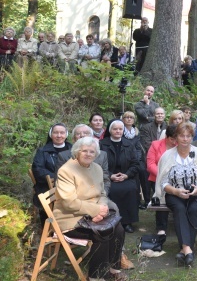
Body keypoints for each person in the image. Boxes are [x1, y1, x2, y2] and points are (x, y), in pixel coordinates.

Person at [54, 137, 127, 281]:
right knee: (103, 232)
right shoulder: (66, 171)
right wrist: (96, 211)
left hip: (93, 214)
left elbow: (102, 193)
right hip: (70, 218)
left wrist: (102, 208)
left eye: (92, 151)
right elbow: (69, 202)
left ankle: (113, 269)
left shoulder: (97, 168)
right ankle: (96, 277)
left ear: (96, 154)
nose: (88, 154)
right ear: (77, 152)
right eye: (84, 151)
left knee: (118, 229)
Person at [154, 123, 197, 266]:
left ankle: (184, 249)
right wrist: (176, 191)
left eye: (188, 136)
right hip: (174, 193)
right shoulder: (168, 156)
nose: (185, 139)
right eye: (181, 136)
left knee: (193, 210)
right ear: (176, 138)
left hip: (196, 193)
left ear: (192, 137)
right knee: (179, 209)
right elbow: (163, 182)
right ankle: (188, 249)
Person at [99, 120, 140, 233]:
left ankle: (127, 222)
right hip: (108, 178)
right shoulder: (102, 144)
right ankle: (112, 221)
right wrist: (110, 176)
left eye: (120, 129)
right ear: (110, 130)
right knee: (112, 190)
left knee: (131, 189)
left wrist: (126, 175)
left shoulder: (129, 144)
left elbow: (135, 164)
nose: (118, 131)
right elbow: (98, 165)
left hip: (126, 176)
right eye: (115, 129)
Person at [32, 123, 73, 224]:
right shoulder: (43, 151)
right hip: (48, 187)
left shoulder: (73, 149)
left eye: (62, 132)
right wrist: (57, 177)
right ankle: (53, 228)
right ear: (51, 134)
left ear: (66, 134)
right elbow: (38, 169)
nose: (59, 135)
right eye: (56, 132)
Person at [57, 124, 111, 193]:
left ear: (92, 137)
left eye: (85, 133)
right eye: (78, 134)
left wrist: (102, 195)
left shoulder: (102, 155)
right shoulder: (63, 156)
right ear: (73, 139)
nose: (82, 135)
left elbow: (105, 180)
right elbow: (60, 183)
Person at [146, 123, 178, 236]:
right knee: (160, 195)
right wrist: (163, 176)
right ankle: (161, 227)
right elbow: (150, 164)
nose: (175, 142)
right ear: (167, 136)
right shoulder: (156, 145)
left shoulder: (181, 146)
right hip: (157, 178)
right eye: (172, 139)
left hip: (176, 178)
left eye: (176, 139)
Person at [121, 111, 149, 209]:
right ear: (123, 119)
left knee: (143, 172)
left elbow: (138, 148)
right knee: (134, 176)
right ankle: (137, 201)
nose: (129, 119)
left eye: (131, 117)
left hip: (137, 159)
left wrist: (137, 159)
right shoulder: (120, 132)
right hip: (126, 160)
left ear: (134, 120)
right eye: (126, 117)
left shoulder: (136, 132)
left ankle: (147, 200)